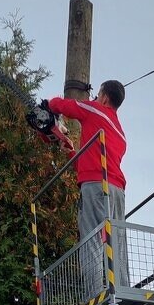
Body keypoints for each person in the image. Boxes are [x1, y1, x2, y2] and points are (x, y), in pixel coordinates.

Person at [41, 81, 128, 292]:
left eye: (98, 94)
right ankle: (124, 293)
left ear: (105, 97)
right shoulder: (120, 133)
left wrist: (48, 104)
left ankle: (94, 295)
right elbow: (90, 162)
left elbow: (70, 106)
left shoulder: (96, 110)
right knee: (116, 243)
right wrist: (71, 150)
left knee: (91, 240)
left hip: (96, 187)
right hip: (117, 191)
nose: (95, 98)